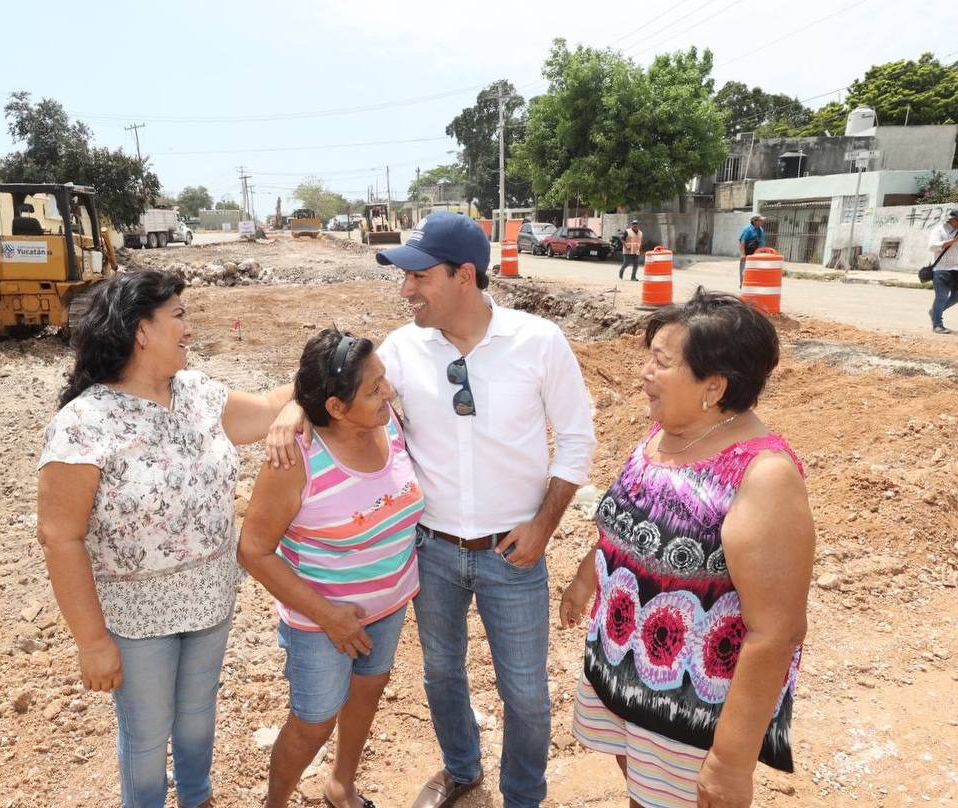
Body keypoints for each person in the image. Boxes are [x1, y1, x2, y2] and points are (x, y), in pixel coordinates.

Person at [266, 212, 595, 806]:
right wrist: (295, 406)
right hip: (430, 551)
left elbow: (576, 439)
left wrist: (543, 527)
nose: (406, 289)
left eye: (419, 276)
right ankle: (462, 769)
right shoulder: (401, 348)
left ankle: (523, 796)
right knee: (441, 673)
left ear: (464, 275)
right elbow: (338, 387)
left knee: (525, 692)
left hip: (514, 553)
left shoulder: (538, 342)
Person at [35, 269, 303, 808]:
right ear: (141, 330)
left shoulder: (198, 393)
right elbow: (60, 536)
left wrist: (299, 403)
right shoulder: (83, 424)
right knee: (147, 735)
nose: (189, 328)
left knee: (199, 715)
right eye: (178, 316)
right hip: (137, 619)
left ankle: (197, 797)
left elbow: (268, 409)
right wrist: (92, 642)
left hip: (210, 600)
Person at [560, 288, 815, 808]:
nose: (644, 374)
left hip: (689, 708)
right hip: (627, 672)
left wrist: (730, 761)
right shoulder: (666, 434)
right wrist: (585, 580)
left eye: (661, 362)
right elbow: (625, 524)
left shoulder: (763, 477)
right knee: (642, 791)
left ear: (713, 386)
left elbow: (776, 631)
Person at [238, 328, 424, 808]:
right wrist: (328, 616)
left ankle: (341, 786)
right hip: (321, 622)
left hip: (389, 605)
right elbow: (253, 550)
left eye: (384, 380)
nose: (389, 393)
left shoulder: (388, 422)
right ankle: (274, 804)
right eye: (374, 389)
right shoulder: (295, 459)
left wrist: (295, 404)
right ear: (337, 408)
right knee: (314, 721)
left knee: (367, 693)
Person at [927, 208, 958, 334]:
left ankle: (935, 311)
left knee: (956, 297)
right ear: (953, 220)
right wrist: (954, 240)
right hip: (941, 269)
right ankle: (937, 325)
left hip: (956, 269)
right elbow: (932, 246)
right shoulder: (939, 230)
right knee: (941, 297)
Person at [737, 214, 766, 288]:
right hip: (748, 253)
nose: (762, 222)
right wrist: (743, 254)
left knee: (756, 270)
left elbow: (762, 242)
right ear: (755, 221)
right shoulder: (747, 229)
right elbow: (742, 241)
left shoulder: (761, 230)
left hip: (758, 254)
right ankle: (743, 284)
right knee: (745, 269)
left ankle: (753, 284)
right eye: (760, 220)